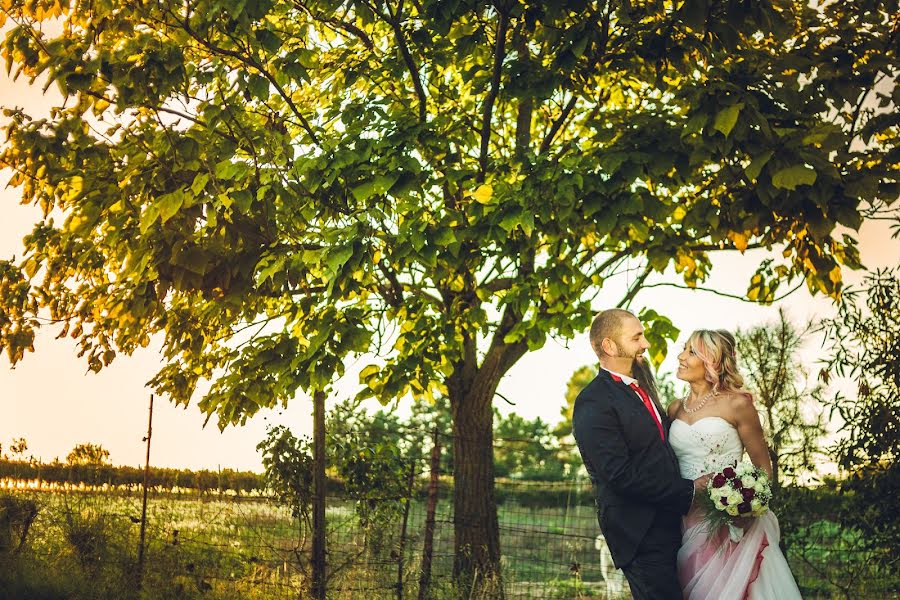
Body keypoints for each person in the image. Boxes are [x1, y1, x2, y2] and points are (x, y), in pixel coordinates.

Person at [573, 309, 709, 600]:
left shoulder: (642, 388)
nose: (646, 344)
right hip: (641, 533)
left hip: (672, 523)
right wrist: (689, 490)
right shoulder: (593, 401)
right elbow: (618, 474)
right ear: (609, 346)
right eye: (637, 337)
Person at [669, 329, 803, 599]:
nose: (681, 356)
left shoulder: (738, 404)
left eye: (691, 352)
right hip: (683, 518)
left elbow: (763, 469)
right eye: (684, 349)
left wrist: (744, 507)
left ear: (713, 362)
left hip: (730, 523)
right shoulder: (674, 409)